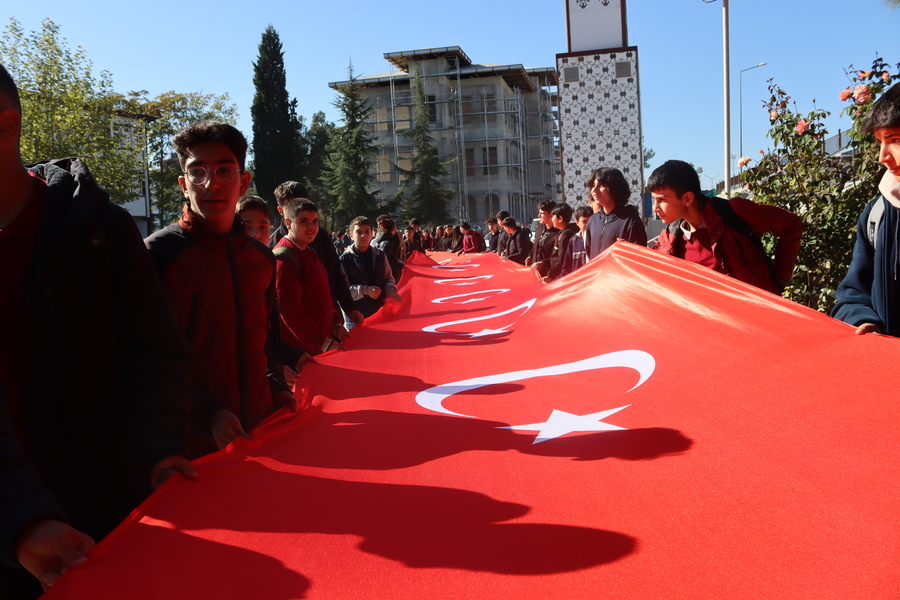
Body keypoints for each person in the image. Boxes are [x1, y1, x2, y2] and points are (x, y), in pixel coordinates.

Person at [0, 63, 194, 597]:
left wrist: (161, 446)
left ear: (5, 124)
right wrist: (19, 516)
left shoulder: (98, 230)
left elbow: (154, 351)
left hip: (111, 519)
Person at [145, 120, 296, 459]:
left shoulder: (261, 259)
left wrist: (276, 387)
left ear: (243, 182)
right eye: (197, 172)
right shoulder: (158, 255)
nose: (210, 184)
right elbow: (147, 360)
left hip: (260, 431)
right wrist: (206, 412)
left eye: (224, 171)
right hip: (191, 445)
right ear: (184, 185)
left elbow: (266, 340)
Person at [650, 159, 801, 294]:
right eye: (653, 200)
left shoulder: (733, 212)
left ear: (688, 198)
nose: (655, 208)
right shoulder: (669, 239)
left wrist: (782, 278)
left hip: (759, 316)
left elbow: (791, 224)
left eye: (662, 200)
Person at [833, 82, 900, 335]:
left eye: (895, 140)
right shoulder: (878, 214)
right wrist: (863, 320)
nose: (883, 156)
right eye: (879, 142)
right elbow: (853, 295)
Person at [271, 182, 362, 328]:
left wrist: (349, 308)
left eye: (303, 203)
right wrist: (322, 342)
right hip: (301, 333)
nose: (300, 209)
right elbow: (287, 307)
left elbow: (335, 272)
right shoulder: (276, 248)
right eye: (293, 205)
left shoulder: (320, 236)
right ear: (281, 211)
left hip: (330, 323)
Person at [340, 216, 402, 319]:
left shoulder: (380, 255)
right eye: (359, 232)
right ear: (351, 235)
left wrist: (390, 290)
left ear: (372, 234)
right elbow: (342, 291)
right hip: (356, 317)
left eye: (367, 232)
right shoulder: (344, 260)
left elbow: (388, 278)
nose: (363, 235)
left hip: (379, 313)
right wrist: (365, 291)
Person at [583, 167, 647, 259]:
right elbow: (589, 253)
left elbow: (638, 257)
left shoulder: (630, 220)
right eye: (593, 186)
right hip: (598, 273)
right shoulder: (593, 220)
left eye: (601, 185)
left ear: (616, 188)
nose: (594, 190)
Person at [542, 203, 578, 283]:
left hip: (560, 276)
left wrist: (550, 275)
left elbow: (562, 259)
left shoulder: (565, 235)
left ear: (560, 218)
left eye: (553, 217)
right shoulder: (562, 233)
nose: (551, 219)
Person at [527, 200, 559, 277]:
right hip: (536, 272)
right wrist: (530, 256)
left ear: (551, 215)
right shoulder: (539, 227)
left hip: (550, 274)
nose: (539, 216)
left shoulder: (558, 232)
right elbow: (536, 246)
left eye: (542, 213)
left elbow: (559, 257)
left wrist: (544, 263)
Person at [561, 205, 593, 277]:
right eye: (584, 221)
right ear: (577, 223)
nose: (588, 225)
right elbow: (566, 267)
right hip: (577, 282)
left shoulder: (597, 239)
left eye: (590, 221)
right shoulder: (573, 240)